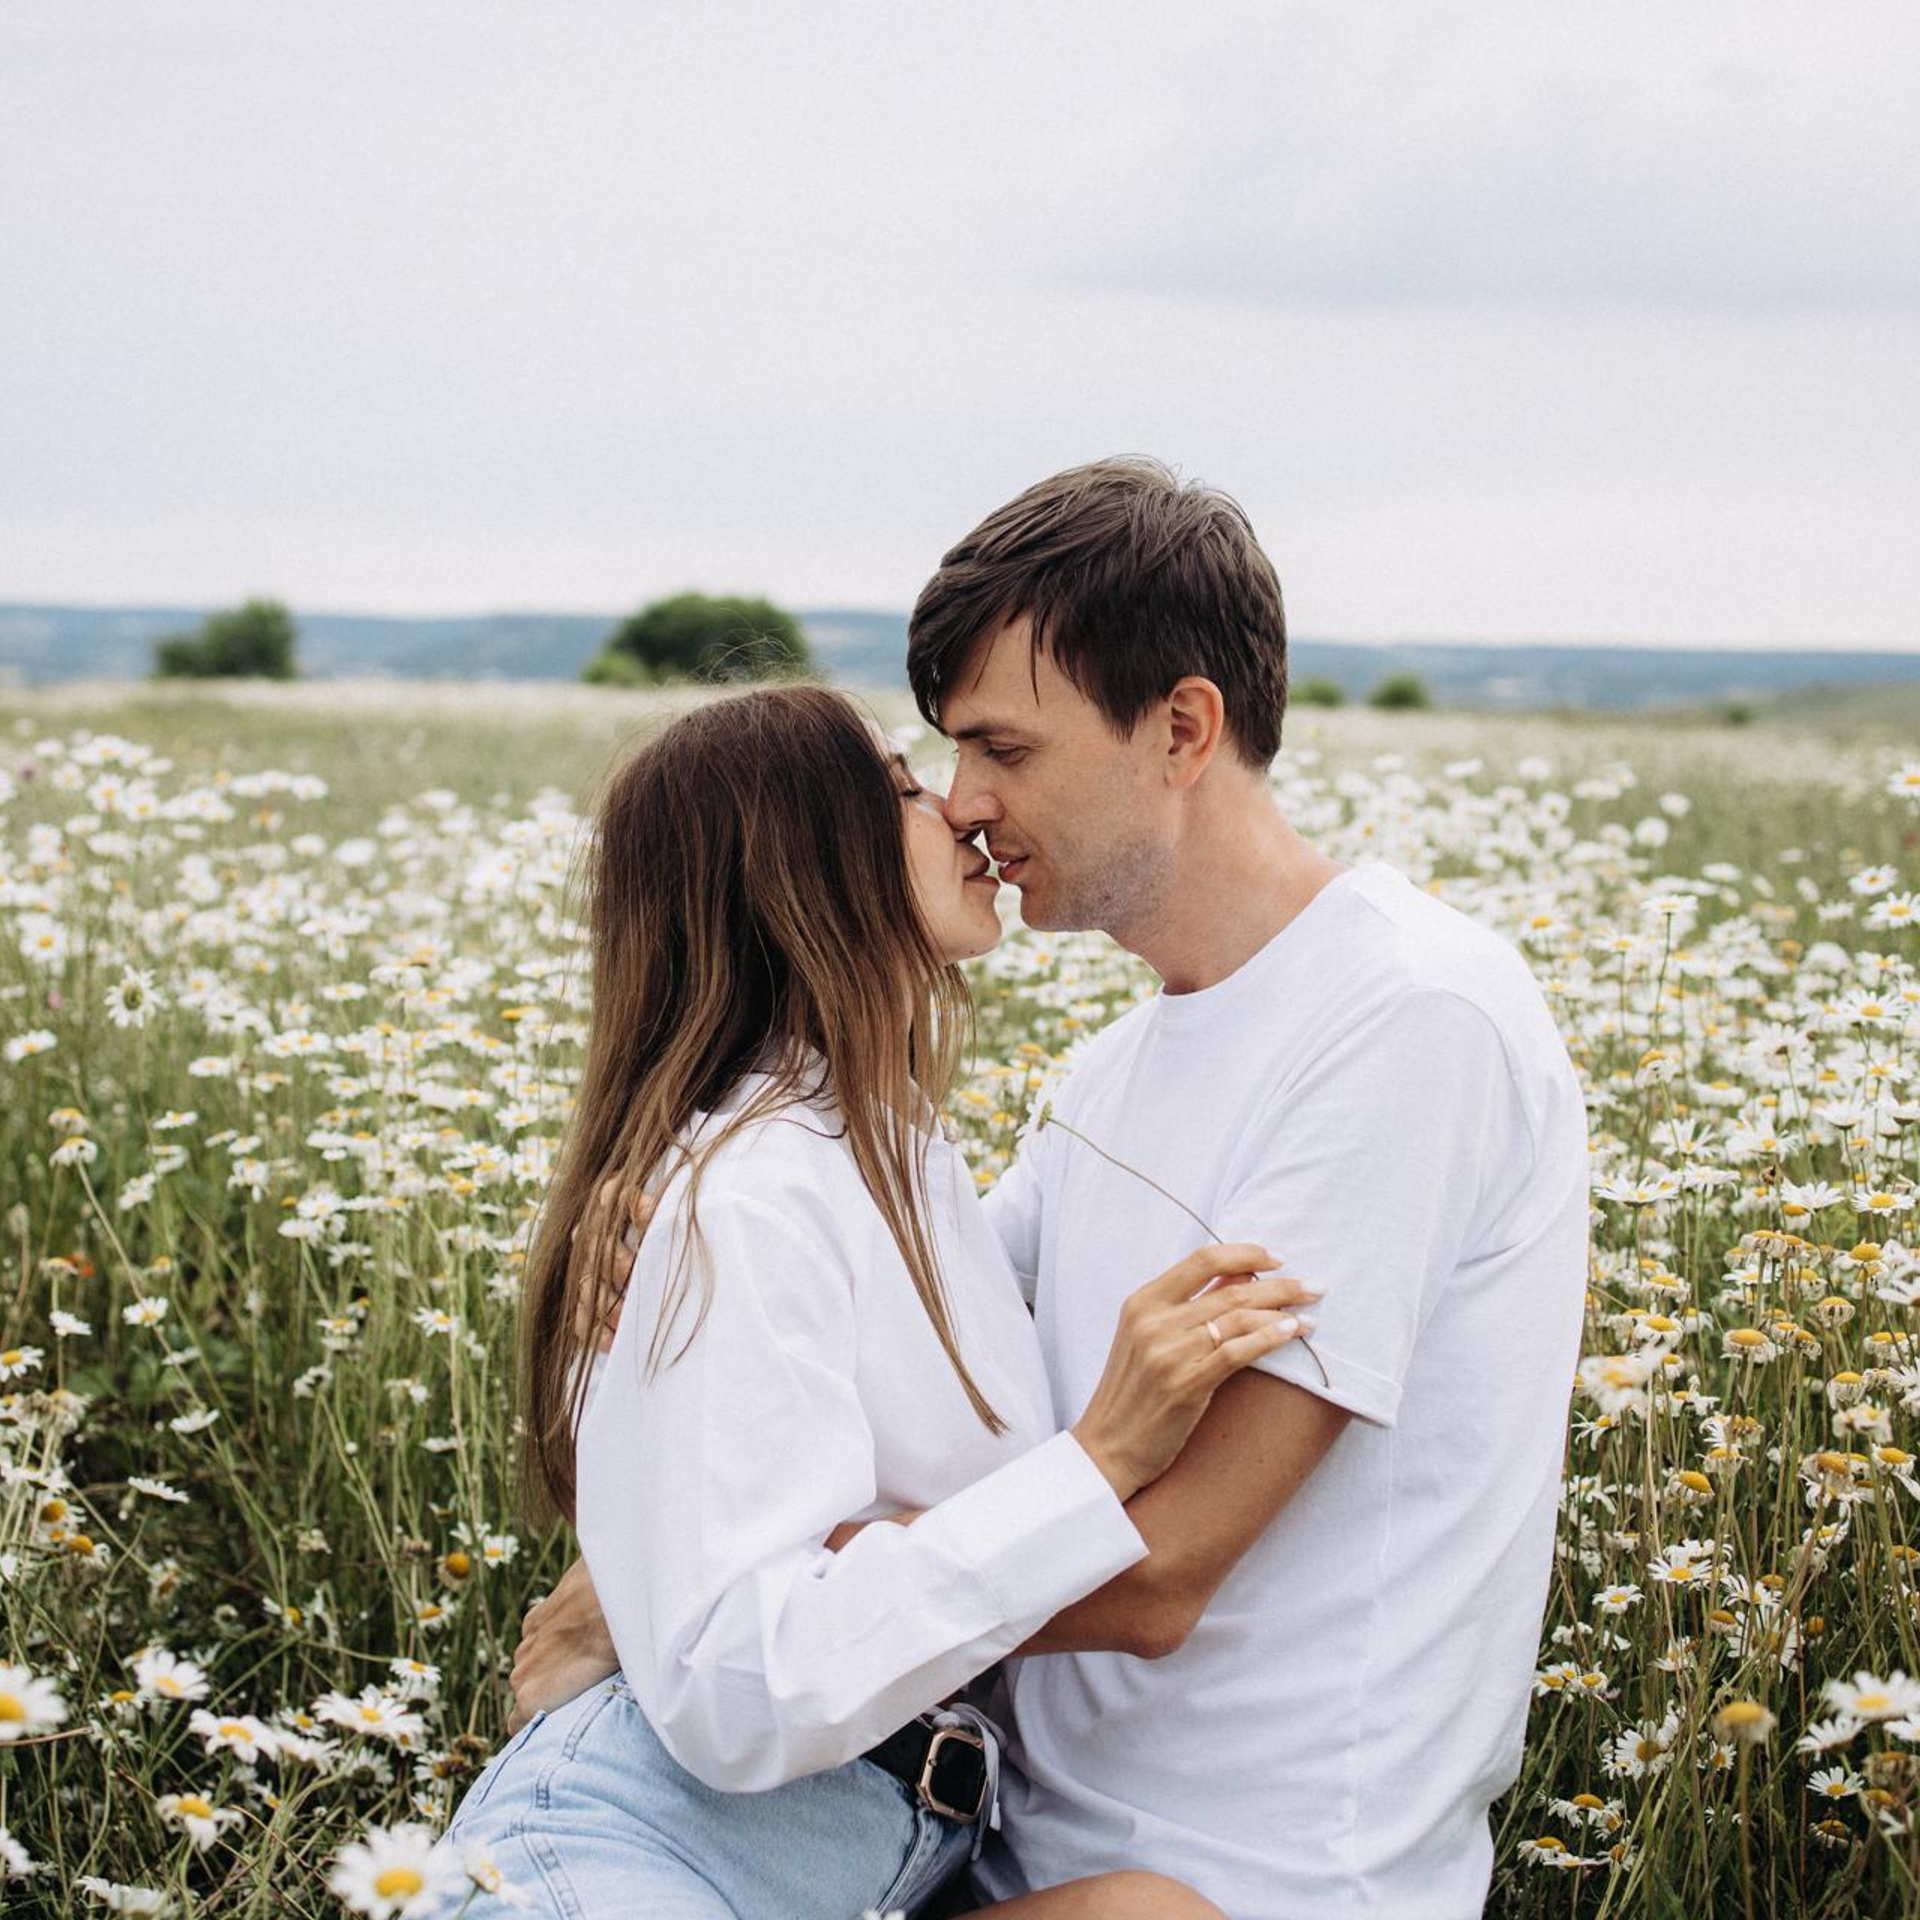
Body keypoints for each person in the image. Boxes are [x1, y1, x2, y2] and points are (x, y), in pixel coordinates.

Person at [514, 459, 1591, 1918]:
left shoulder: (1406, 1019)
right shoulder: (1110, 1079)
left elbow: (1157, 1574)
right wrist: (643, 1295)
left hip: (1253, 1880)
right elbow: (901, 1347)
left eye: (1002, 749)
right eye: (943, 758)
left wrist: (725, 1597)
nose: (967, 804)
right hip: (966, 1855)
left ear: (1182, 729)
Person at [435, 683, 1317, 1919]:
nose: (960, 811)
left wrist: (630, 1592)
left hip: (846, 1858)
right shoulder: (744, 1194)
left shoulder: (889, 1159)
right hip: (635, 1862)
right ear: (807, 863)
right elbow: (741, 1682)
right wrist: (1101, 1458)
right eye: (906, 787)